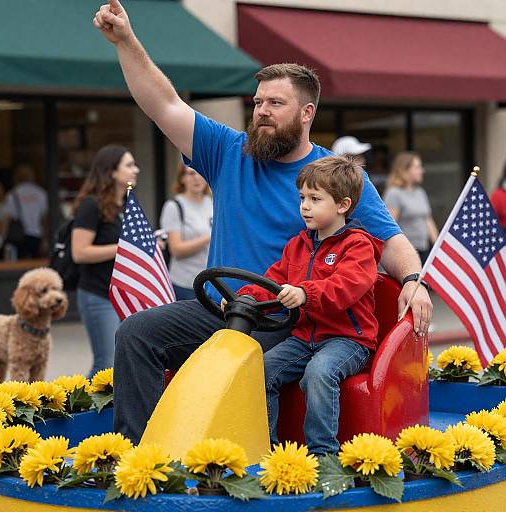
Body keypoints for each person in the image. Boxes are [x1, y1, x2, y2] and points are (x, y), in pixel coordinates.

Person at [93, 0, 432, 444]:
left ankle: (254, 465)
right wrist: (126, 41)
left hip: (286, 319)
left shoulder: (336, 176)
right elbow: (163, 104)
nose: (262, 111)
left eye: (276, 103)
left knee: (235, 364)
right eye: (257, 103)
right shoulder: (228, 150)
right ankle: (135, 457)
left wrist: (413, 278)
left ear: (307, 113)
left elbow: (389, 240)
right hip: (216, 307)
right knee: (136, 334)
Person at [225, 155, 381, 455]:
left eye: (315, 198)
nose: (305, 206)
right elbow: (271, 281)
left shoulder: (358, 246)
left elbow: (345, 287)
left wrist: (304, 293)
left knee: (319, 373)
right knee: (260, 369)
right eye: (302, 198)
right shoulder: (298, 245)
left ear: (342, 205)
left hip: (348, 340)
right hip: (303, 338)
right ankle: (265, 451)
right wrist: (243, 298)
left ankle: (324, 457)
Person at [71, 145, 140, 378]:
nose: (136, 170)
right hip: (98, 295)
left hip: (121, 295)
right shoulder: (91, 205)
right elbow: (79, 252)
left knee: (119, 363)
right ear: (111, 172)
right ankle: (84, 411)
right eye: (129, 165)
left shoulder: (124, 204)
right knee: (105, 364)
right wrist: (123, 248)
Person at [159, 163, 212, 300]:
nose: (197, 178)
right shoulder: (174, 206)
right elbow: (176, 249)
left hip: (212, 283)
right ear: (182, 178)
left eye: (200, 173)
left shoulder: (212, 202)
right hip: (185, 284)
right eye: (191, 173)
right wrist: (208, 237)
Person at [383, 152, 439, 265]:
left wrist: (439, 246)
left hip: (424, 250)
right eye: (417, 167)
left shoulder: (420, 192)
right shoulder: (394, 193)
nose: (422, 170)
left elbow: (428, 221)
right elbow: (389, 226)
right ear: (405, 170)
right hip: (406, 253)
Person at [4, 164, 48, 259]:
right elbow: (44, 218)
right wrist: (45, 239)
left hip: (19, 236)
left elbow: (8, 218)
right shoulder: (41, 193)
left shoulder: (12, 194)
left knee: (20, 264)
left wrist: (3, 239)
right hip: (37, 235)